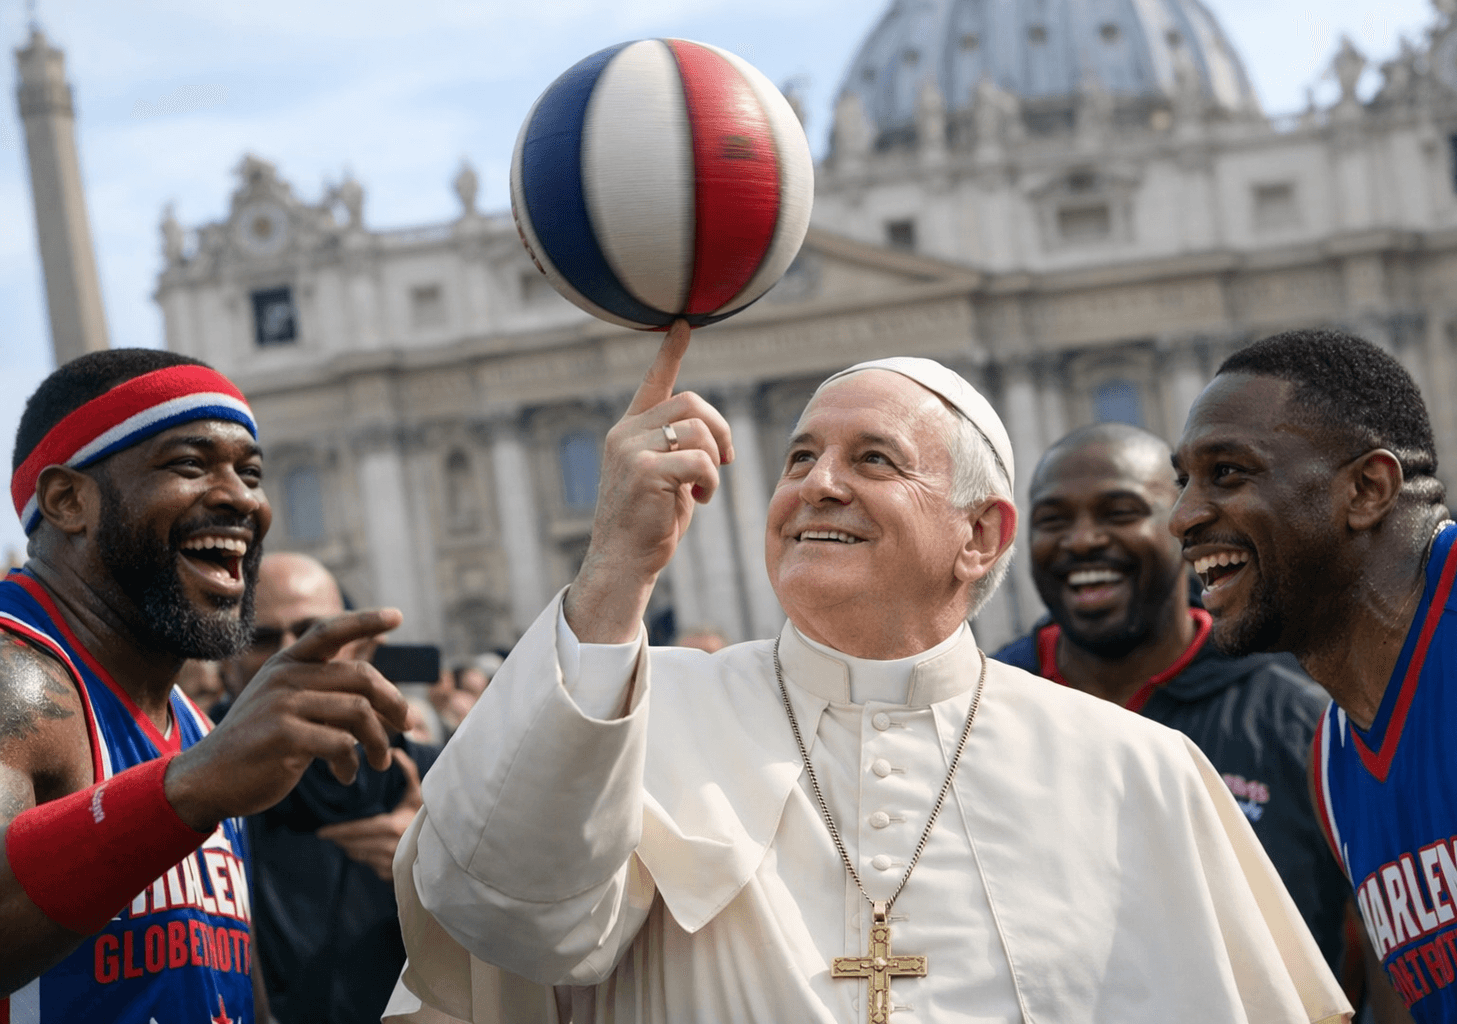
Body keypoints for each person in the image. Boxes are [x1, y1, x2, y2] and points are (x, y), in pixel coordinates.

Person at [385, 323, 1351, 1024]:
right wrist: (614, 571)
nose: (816, 483)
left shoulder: (1144, 770)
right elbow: (506, 912)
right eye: (800, 456)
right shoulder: (641, 709)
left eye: (872, 458)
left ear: (980, 534)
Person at [0, 349, 410, 1022]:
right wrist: (188, 788)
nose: (241, 499)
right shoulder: (18, 679)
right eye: (189, 465)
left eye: (251, 473)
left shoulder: (195, 725)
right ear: (70, 500)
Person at [1169, 329, 1457, 1021]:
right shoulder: (1334, 753)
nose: (1182, 516)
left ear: (1367, 489)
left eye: (1227, 473)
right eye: (1181, 480)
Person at [995, 423, 1353, 978]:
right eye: (1053, 520)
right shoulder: (977, 716)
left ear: (1184, 526)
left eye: (1119, 513)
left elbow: (1365, 943)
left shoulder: (1301, 720)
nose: (1083, 540)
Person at [223, 551, 437, 1024]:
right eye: (261, 638)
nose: (289, 654)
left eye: (312, 632)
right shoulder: (203, 789)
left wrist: (441, 865)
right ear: (227, 660)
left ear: (360, 647)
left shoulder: (439, 779)